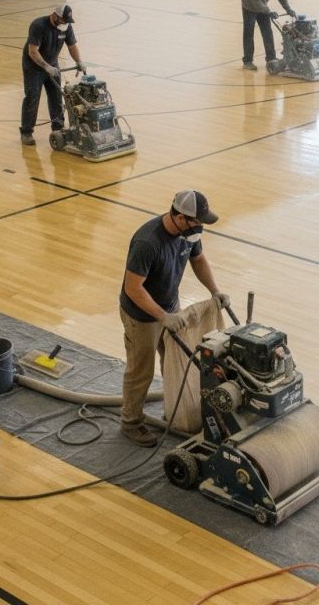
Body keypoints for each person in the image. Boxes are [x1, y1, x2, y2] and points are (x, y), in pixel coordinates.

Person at [118, 189, 230, 447]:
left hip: (169, 307)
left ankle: (175, 411)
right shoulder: (147, 242)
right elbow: (133, 289)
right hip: (142, 315)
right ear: (179, 217)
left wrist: (215, 290)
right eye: (195, 221)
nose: (199, 227)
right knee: (140, 371)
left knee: (174, 361)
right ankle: (130, 422)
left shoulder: (188, 234)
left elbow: (198, 260)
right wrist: (162, 317)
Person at [19, 4, 87, 146]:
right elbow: (33, 51)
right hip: (34, 67)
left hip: (52, 64)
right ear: (55, 16)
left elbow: (72, 46)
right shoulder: (38, 26)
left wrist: (79, 61)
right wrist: (46, 67)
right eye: (62, 20)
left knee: (56, 97)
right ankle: (26, 132)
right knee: (32, 97)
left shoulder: (66, 27)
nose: (64, 23)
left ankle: (59, 129)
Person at [241, 0, 297, 71]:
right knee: (249, 34)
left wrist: (288, 9)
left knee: (268, 33)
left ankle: (271, 58)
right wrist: (268, 11)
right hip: (249, 7)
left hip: (262, 7)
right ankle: (247, 61)